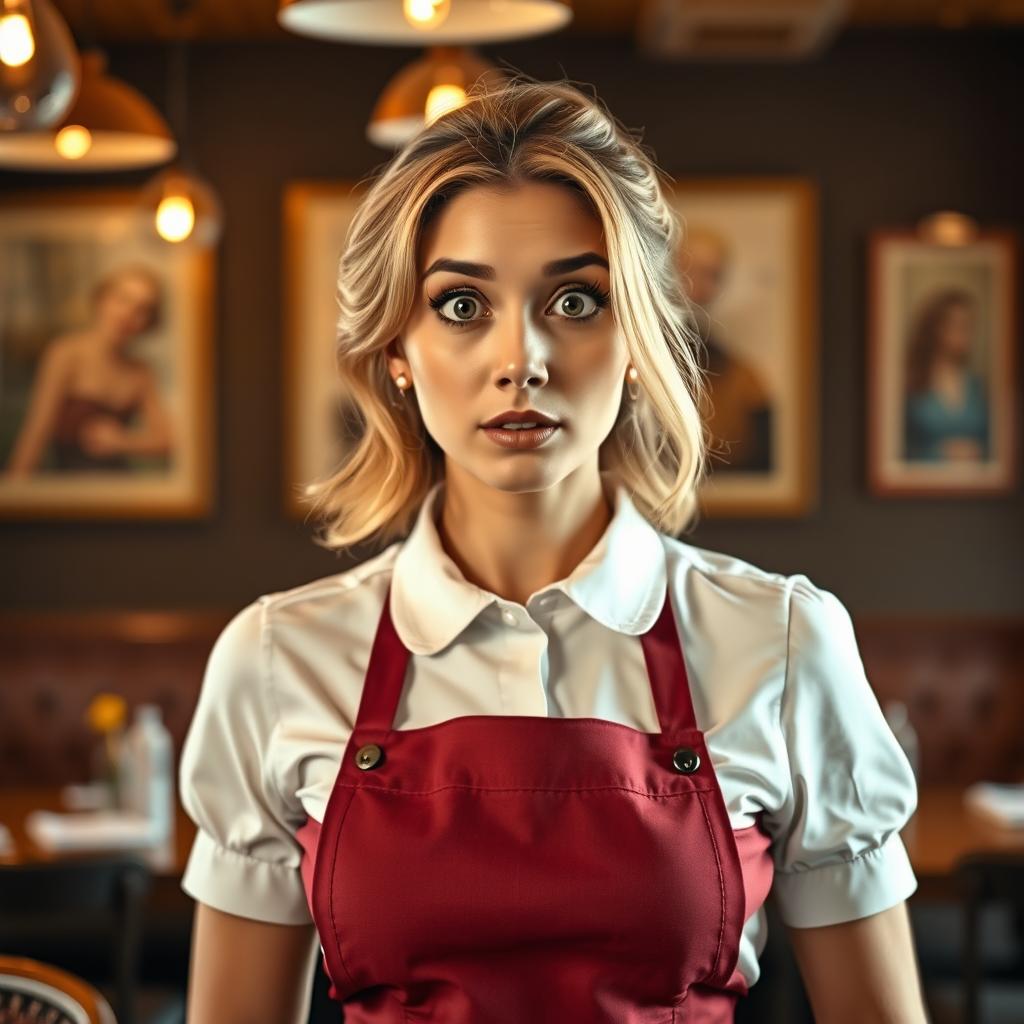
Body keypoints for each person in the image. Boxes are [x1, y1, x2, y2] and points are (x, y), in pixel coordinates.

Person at [178, 75, 928, 1023]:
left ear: (637, 337)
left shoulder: (783, 641)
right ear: (397, 350)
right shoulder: (277, 659)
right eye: (461, 305)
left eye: (576, 300)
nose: (521, 360)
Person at [3, 263, 175, 476]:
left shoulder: (140, 372)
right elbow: (36, 432)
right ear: (101, 299)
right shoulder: (65, 354)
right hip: (71, 486)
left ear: (149, 322)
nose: (128, 313)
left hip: (119, 484)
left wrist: (122, 441)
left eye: (142, 309)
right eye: (123, 299)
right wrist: (14, 489)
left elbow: (167, 441)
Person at [902, 287, 990, 463]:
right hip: (924, 477)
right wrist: (940, 455)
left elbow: (997, 448)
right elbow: (897, 451)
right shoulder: (912, 383)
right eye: (959, 325)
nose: (966, 334)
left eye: (970, 326)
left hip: (974, 477)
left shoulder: (977, 385)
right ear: (937, 328)